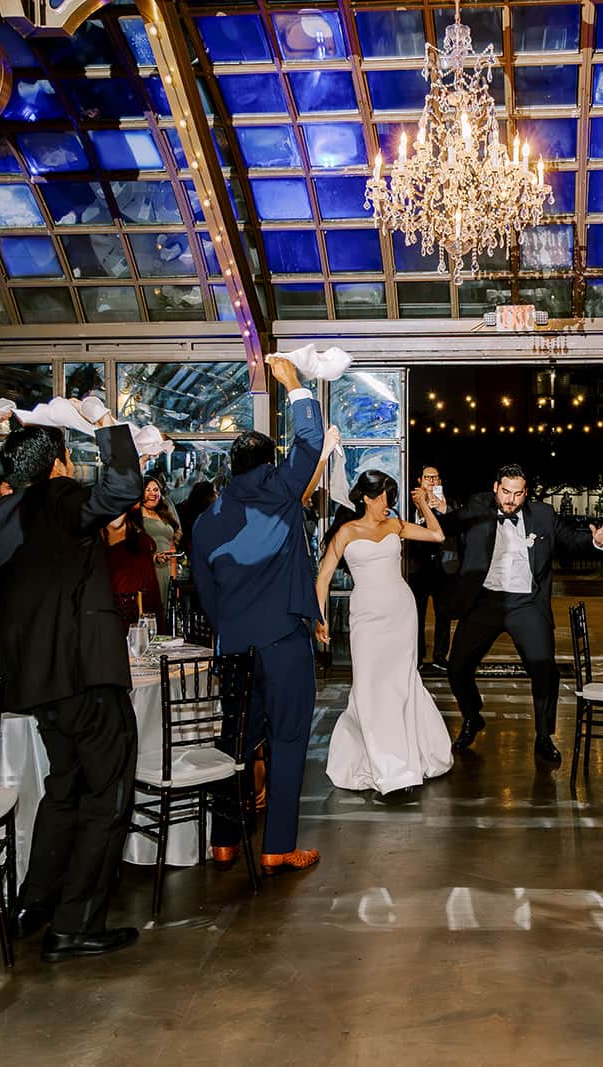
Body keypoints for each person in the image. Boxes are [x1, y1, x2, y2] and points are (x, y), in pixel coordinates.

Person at [0, 416, 143, 963]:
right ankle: (75, 924)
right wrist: (108, 427)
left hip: (37, 681)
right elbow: (122, 488)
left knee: (65, 789)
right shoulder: (57, 498)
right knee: (108, 797)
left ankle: (35, 902)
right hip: (85, 674)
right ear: (58, 465)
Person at [190, 354, 325, 875]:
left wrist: (232, 625)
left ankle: (224, 841)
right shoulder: (281, 492)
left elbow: (204, 593)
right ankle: (278, 847)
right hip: (283, 642)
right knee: (289, 739)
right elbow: (310, 443)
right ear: (271, 465)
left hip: (234, 646)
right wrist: (294, 385)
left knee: (234, 740)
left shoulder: (207, 521)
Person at [443, 464, 603, 763]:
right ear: (496, 487)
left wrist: (596, 541)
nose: (511, 500)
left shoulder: (543, 515)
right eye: (506, 492)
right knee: (457, 667)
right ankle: (472, 716)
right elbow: (447, 525)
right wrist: (428, 507)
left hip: (526, 603)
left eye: (518, 494)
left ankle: (544, 735)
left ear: (527, 492)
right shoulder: (477, 506)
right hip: (484, 601)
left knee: (544, 669)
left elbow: (571, 541)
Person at [314, 471, 454, 793]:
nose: (387, 503)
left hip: (401, 612)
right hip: (366, 617)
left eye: (390, 496)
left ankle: (404, 761)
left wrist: (424, 504)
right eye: (381, 497)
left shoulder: (395, 525)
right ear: (366, 498)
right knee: (369, 684)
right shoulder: (346, 532)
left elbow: (437, 536)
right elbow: (322, 579)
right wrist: (319, 618)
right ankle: (382, 762)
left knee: (401, 682)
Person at [404, 464, 454, 672]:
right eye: (428, 478)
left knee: (443, 614)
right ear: (420, 481)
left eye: (435, 478)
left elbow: (454, 527)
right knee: (417, 614)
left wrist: (442, 507)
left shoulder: (447, 504)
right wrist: (422, 507)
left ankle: (440, 657)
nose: (432, 482)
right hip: (419, 566)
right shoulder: (411, 505)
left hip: (443, 567)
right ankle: (417, 657)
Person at [105, 505, 165, 627]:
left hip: (136, 616)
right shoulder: (92, 542)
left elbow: (151, 589)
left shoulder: (142, 542)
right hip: (105, 614)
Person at [140, 476, 180, 612]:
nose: (153, 493)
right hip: (149, 571)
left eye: (156, 490)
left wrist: (174, 582)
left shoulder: (164, 515)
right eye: (148, 490)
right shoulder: (136, 516)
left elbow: (172, 548)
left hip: (167, 570)